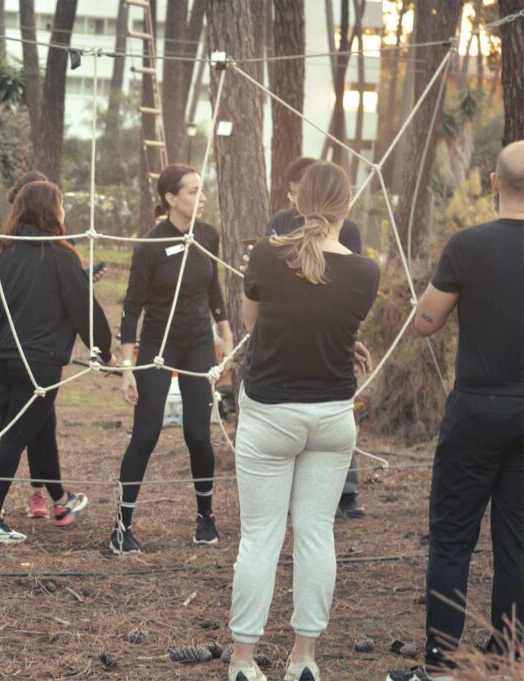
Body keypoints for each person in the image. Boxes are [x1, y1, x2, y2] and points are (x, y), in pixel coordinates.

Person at [228, 161, 379, 681]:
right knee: (317, 535)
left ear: (298, 200)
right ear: (346, 206)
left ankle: (244, 662)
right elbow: (333, 322)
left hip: (271, 411)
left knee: (260, 538)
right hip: (333, 415)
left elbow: (255, 325)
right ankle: (305, 658)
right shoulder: (365, 270)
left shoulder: (268, 256)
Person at [387, 141, 524, 681]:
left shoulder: (468, 244)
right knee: (517, 539)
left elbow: (425, 321)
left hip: (477, 408)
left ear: (493, 183)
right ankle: (509, 657)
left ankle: (440, 666)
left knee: (452, 539)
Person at [0, 180, 112, 544]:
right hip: (38, 364)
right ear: (52, 210)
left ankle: (61, 502)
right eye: (61, 204)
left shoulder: (8, 251)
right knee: (13, 438)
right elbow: (83, 307)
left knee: (40, 429)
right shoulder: (61, 254)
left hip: (5, 359)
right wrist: (103, 348)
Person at [111, 164, 234, 554]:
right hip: (157, 347)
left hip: (198, 342)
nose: (201, 198)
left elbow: (215, 289)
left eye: (202, 190)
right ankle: (122, 526)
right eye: (193, 191)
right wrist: (127, 368)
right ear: (170, 199)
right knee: (145, 434)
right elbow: (131, 307)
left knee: (198, 434)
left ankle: (205, 519)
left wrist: (226, 336)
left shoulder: (208, 235)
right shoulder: (150, 244)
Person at [268, 156, 367, 519]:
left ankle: (348, 490)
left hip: (328, 363)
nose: (299, 202)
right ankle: (291, 493)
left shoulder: (351, 235)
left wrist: (343, 336)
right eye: (294, 195)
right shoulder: (278, 226)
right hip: (286, 364)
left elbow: (348, 294)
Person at [0, 170, 60, 519]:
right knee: (9, 423)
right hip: (6, 348)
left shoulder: (56, 247)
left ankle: (41, 494)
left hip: (40, 352)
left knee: (43, 425)